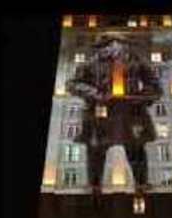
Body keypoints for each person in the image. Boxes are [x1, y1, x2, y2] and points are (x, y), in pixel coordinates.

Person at [66, 35, 162, 198]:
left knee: (135, 148)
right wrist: (97, 94)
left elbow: (155, 87)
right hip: (101, 111)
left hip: (130, 112)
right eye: (110, 44)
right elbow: (72, 84)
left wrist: (138, 98)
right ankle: (95, 186)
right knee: (96, 149)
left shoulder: (136, 61)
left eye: (119, 43)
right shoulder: (91, 63)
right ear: (103, 47)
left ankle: (141, 184)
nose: (115, 47)